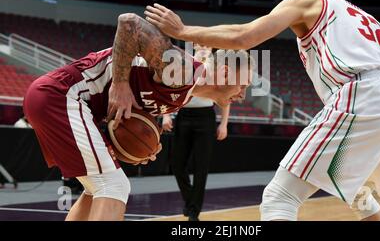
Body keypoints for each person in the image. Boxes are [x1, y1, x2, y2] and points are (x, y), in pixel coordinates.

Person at [144, 0, 380, 221]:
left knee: (279, 198)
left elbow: (245, 36)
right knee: (359, 193)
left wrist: (183, 31)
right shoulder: (361, 15)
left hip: (368, 95)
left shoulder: (309, 1)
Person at [23, 13, 252, 221]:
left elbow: (125, 122)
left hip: (61, 100)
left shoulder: (183, 97)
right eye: (243, 85)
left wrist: (144, 148)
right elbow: (129, 22)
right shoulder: (182, 70)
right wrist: (120, 84)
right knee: (113, 186)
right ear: (225, 73)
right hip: (62, 95)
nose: (243, 95)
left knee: (95, 189)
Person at [162, 44, 230, 221]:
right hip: (184, 115)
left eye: (206, 44)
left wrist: (224, 123)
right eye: (199, 44)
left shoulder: (217, 66)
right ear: (193, 46)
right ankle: (190, 201)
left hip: (206, 117)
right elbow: (170, 89)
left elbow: (226, 98)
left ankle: (194, 212)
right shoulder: (184, 63)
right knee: (176, 164)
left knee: (201, 167)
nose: (202, 47)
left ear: (211, 47)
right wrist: (166, 116)